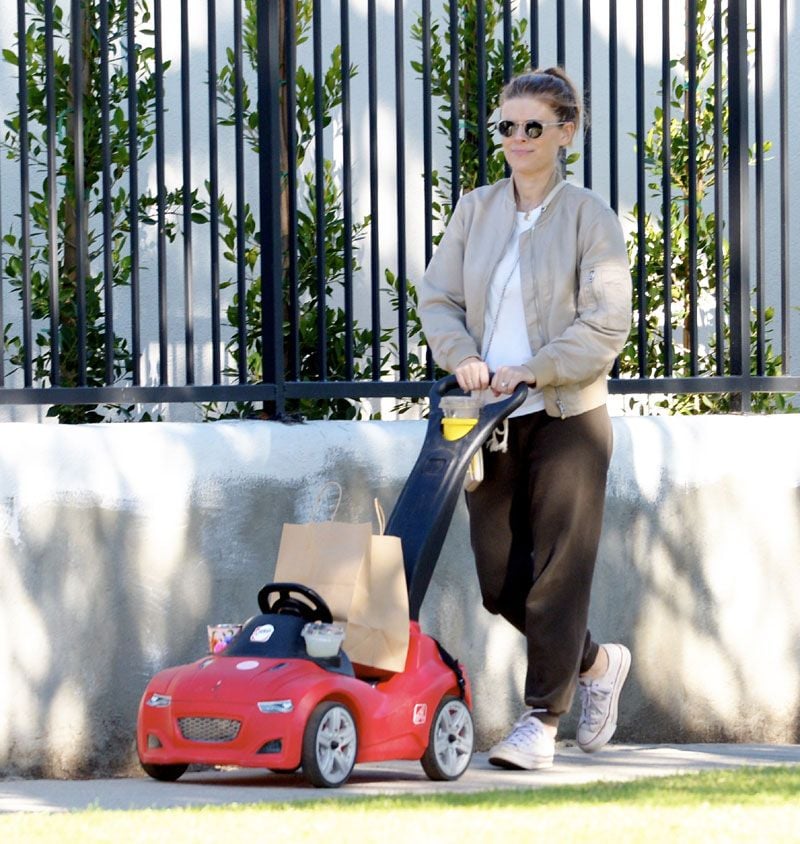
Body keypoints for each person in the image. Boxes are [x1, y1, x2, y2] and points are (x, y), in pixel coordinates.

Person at [419, 67, 633, 770]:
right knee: (497, 581)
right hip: (491, 415)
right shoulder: (476, 210)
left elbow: (606, 324)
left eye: (531, 127)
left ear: (565, 133)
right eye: (506, 126)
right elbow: (438, 300)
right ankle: (598, 664)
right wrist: (465, 358)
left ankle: (540, 721)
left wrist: (532, 367)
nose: (515, 138)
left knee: (557, 576)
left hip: (567, 414)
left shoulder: (587, 217)